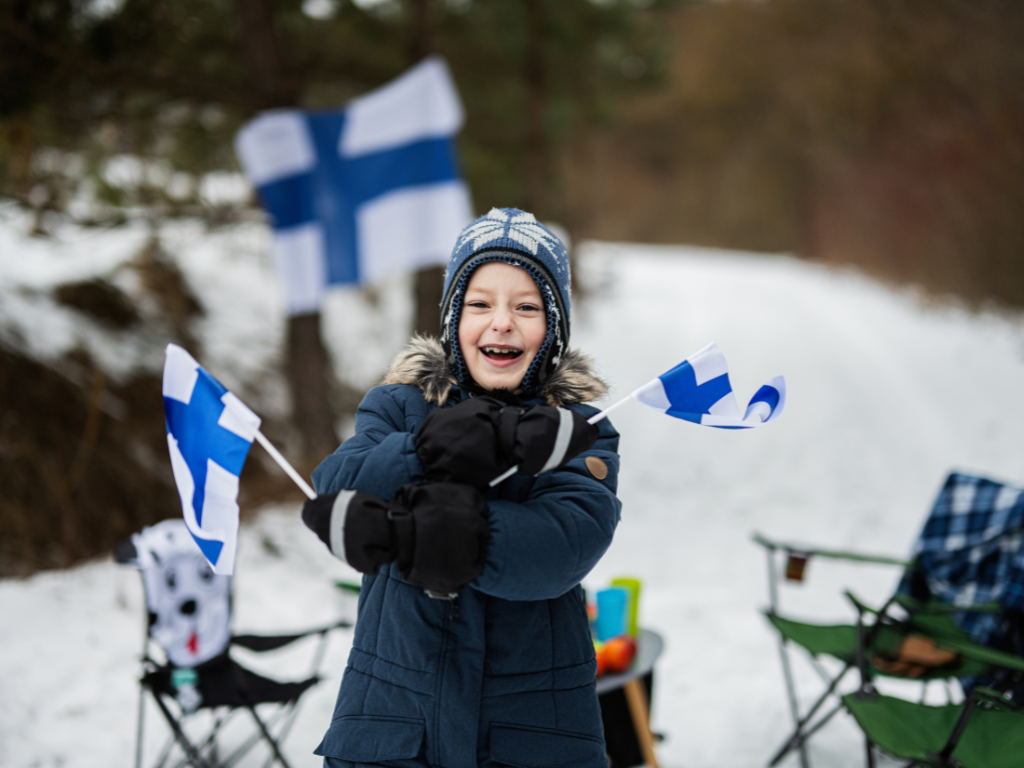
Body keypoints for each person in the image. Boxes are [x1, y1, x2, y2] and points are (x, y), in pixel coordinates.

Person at [300, 207, 622, 768]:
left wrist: (440, 537)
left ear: (554, 329)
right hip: (394, 726)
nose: (502, 323)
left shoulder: (575, 429)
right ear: (452, 320)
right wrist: (426, 446)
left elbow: (565, 543)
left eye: (526, 307)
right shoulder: (397, 406)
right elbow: (338, 488)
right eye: (480, 304)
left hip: (532, 731)